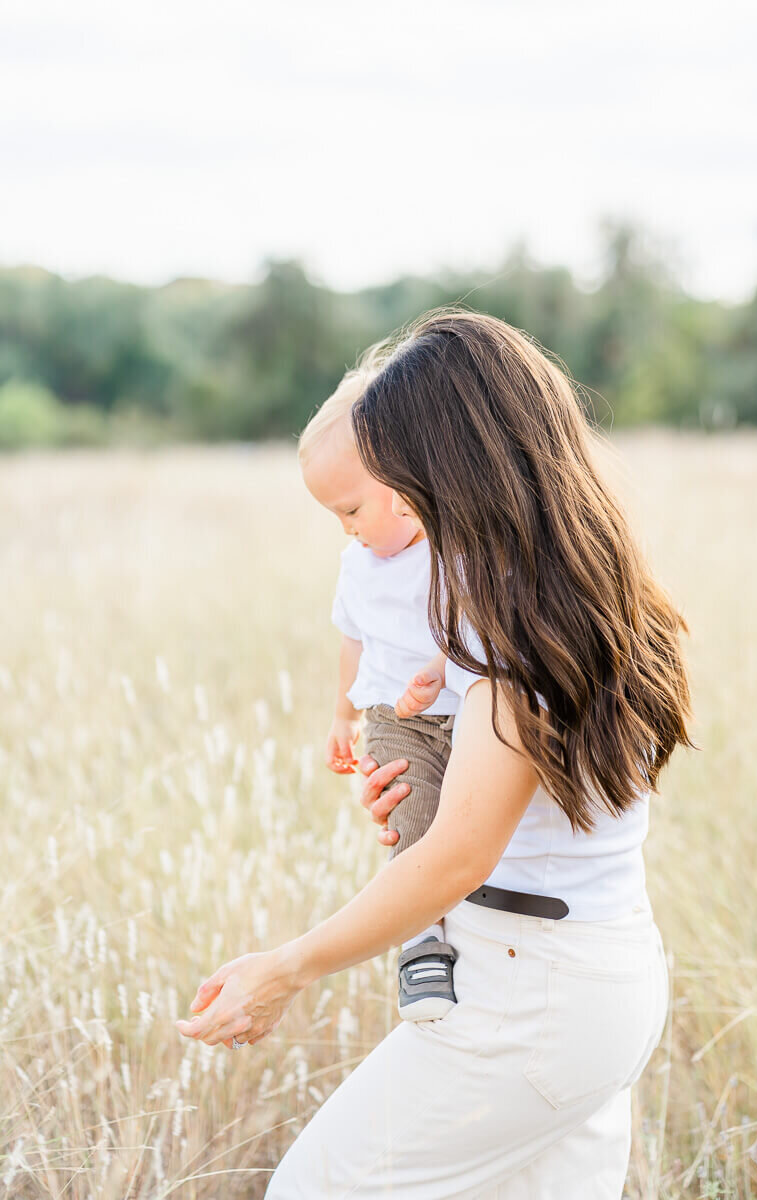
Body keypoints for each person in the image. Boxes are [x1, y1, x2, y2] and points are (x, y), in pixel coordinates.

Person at [175, 307, 696, 1198]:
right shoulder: (575, 595)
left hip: (531, 995)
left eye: (401, 469)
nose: (397, 496)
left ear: (456, 461)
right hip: (595, 975)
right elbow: (499, 806)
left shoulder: (516, 640)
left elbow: (459, 854)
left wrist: (286, 967)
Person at [297, 363, 464, 1021]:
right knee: (407, 811)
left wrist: (445, 668)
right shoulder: (358, 566)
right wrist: (342, 714)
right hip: (396, 717)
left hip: (467, 708)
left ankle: (467, 924)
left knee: (472, 822)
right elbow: (353, 640)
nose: (348, 529)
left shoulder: (455, 544)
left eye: (351, 510)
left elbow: (481, 628)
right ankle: (422, 943)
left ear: (402, 480)